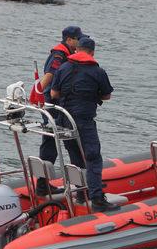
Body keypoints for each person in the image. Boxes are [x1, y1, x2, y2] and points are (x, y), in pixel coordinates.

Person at [50, 37, 118, 212]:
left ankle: (80, 193)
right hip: (84, 120)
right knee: (93, 158)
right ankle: (97, 198)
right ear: (92, 52)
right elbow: (107, 96)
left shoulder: (63, 67)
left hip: (64, 119)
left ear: (76, 50)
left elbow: (54, 93)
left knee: (75, 157)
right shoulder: (98, 71)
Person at [36, 26, 87, 196]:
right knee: (68, 142)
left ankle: (43, 184)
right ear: (69, 40)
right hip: (55, 105)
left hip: (55, 104)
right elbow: (50, 74)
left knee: (52, 142)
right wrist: (37, 92)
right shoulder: (59, 55)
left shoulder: (65, 54)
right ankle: (81, 187)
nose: (79, 43)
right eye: (77, 39)